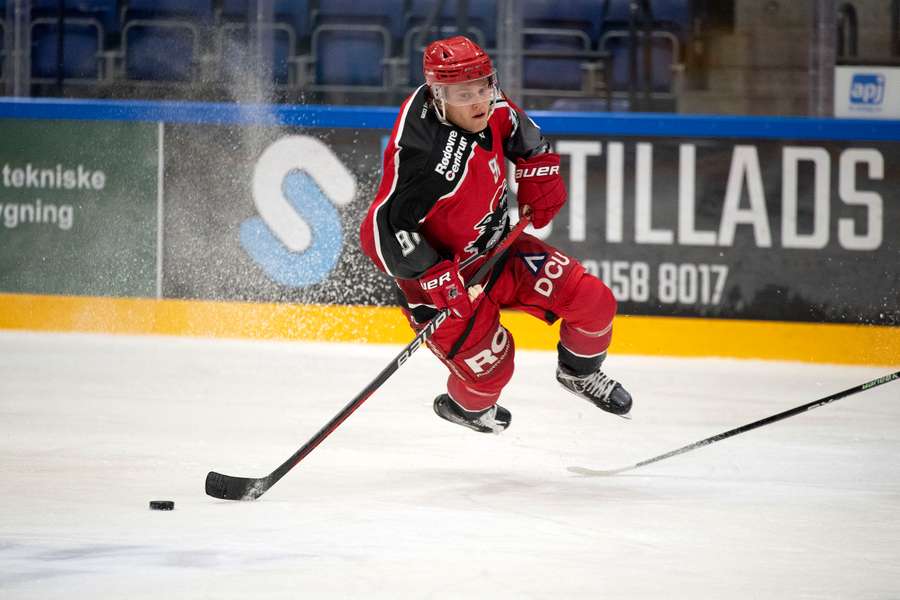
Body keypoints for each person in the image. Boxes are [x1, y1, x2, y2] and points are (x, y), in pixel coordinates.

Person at [359, 35, 632, 434]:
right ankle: (465, 409)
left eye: (484, 86)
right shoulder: (424, 155)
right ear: (438, 96)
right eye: (462, 94)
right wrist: (432, 272)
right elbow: (381, 230)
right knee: (492, 374)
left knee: (594, 302)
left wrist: (538, 167)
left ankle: (579, 374)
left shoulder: (485, 98)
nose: (479, 102)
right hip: (445, 289)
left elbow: (520, 128)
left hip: (498, 250)